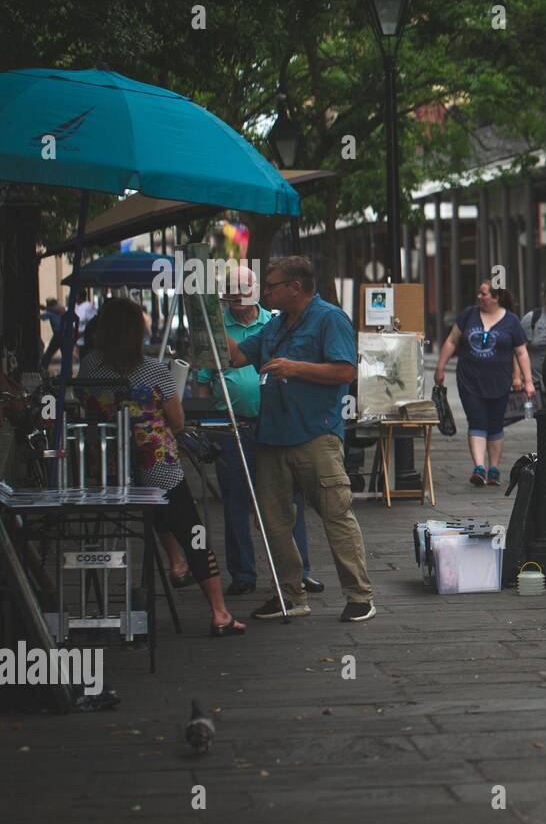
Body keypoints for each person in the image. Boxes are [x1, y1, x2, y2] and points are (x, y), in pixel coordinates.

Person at [223, 255, 377, 624]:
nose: (268, 291)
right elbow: (238, 355)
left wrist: (296, 368)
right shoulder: (276, 326)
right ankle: (290, 593)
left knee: (335, 514)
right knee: (273, 521)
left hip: (315, 435)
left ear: (295, 286)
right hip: (273, 436)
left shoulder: (329, 318)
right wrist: (212, 319)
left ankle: (359, 595)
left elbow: (346, 369)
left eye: (273, 284)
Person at [80, 298, 243, 636]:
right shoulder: (154, 371)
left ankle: (107, 606)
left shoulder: (90, 367)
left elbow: (86, 405)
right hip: (158, 467)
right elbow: (178, 420)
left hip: (109, 467)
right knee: (194, 533)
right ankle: (219, 612)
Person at [194, 265, 319, 598]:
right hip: (231, 424)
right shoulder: (219, 328)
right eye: (230, 288)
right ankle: (244, 573)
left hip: (275, 424)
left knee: (288, 500)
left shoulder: (276, 323)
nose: (236, 294)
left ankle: (300, 571)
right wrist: (209, 421)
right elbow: (203, 381)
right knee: (234, 501)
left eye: (242, 287)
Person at [435, 286, 533, 486]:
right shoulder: (468, 315)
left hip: (500, 381)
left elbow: (521, 352)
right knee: (477, 420)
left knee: (495, 424)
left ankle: (494, 469)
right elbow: (452, 341)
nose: (479, 296)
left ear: (496, 297)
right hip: (469, 379)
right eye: (479, 292)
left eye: (484, 294)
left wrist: (527, 380)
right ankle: (479, 468)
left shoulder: (511, 321)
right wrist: (440, 367)